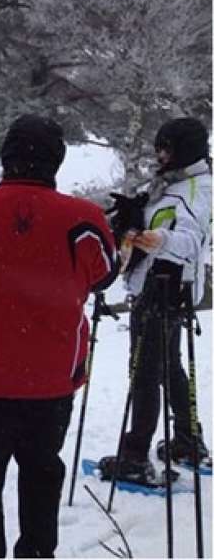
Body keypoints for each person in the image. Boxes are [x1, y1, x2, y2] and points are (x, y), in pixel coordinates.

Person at [0, 115, 119, 558]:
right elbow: (105, 276)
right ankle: (36, 552)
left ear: (5, 156)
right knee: (41, 474)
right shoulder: (86, 220)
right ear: (57, 160)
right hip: (53, 379)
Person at [98, 117, 212, 483]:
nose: (159, 155)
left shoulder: (197, 188)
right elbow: (162, 217)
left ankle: (135, 455)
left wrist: (153, 238)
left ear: (184, 151)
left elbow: (191, 242)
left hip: (165, 291)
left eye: (166, 149)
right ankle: (187, 440)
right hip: (159, 288)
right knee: (167, 366)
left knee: (145, 372)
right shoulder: (176, 182)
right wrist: (135, 212)